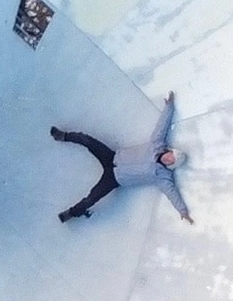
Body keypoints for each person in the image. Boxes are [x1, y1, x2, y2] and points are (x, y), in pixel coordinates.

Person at [51, 91, 193, 223]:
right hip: (113, 157)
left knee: (91, 198)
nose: (167, 159)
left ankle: (71, 213)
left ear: (170, 166)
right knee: (88, 141)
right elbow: (162, 127)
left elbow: (172, 194)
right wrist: (169, 107)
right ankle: (63, 136)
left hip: (115, 179)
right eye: (170, 156)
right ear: (169, 151)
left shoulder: (163, 177)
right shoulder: (157, 144)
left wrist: (183, 211)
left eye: (170, 162)